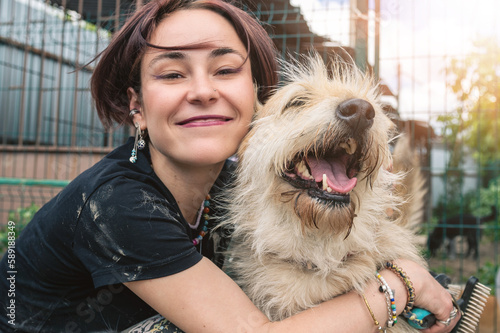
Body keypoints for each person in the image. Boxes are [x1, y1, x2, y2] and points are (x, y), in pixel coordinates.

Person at [0, 0, 460, 332]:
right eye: (172, 73)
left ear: (253, 103)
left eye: (224, 70)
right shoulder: (117, 204)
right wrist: (398, 286)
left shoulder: (231, 185)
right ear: (136, 107)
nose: (203, 90)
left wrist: (397, 259)